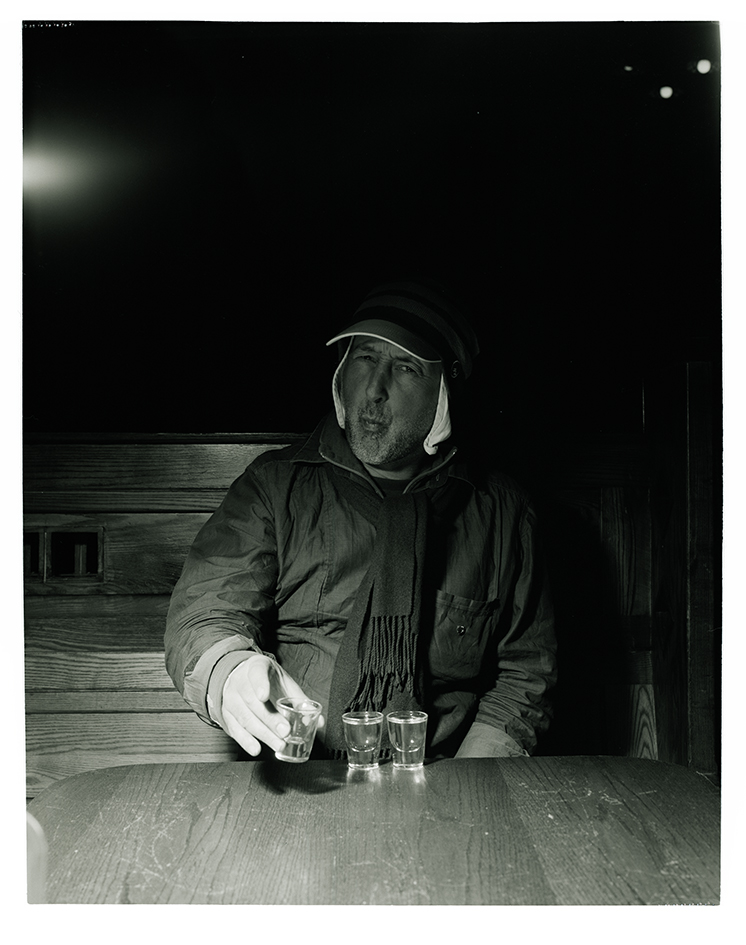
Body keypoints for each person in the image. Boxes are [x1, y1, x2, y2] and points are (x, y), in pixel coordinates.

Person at [165, 279, 557, 760]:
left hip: (442, 776)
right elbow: (206, 611)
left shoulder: (502, 513)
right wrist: (230, 671)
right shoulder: (275, 486)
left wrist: (468, 782)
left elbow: (526, 671)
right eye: (365, 357)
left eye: (406, 367)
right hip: (302, 778)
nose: (374, 389)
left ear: (445, 392)